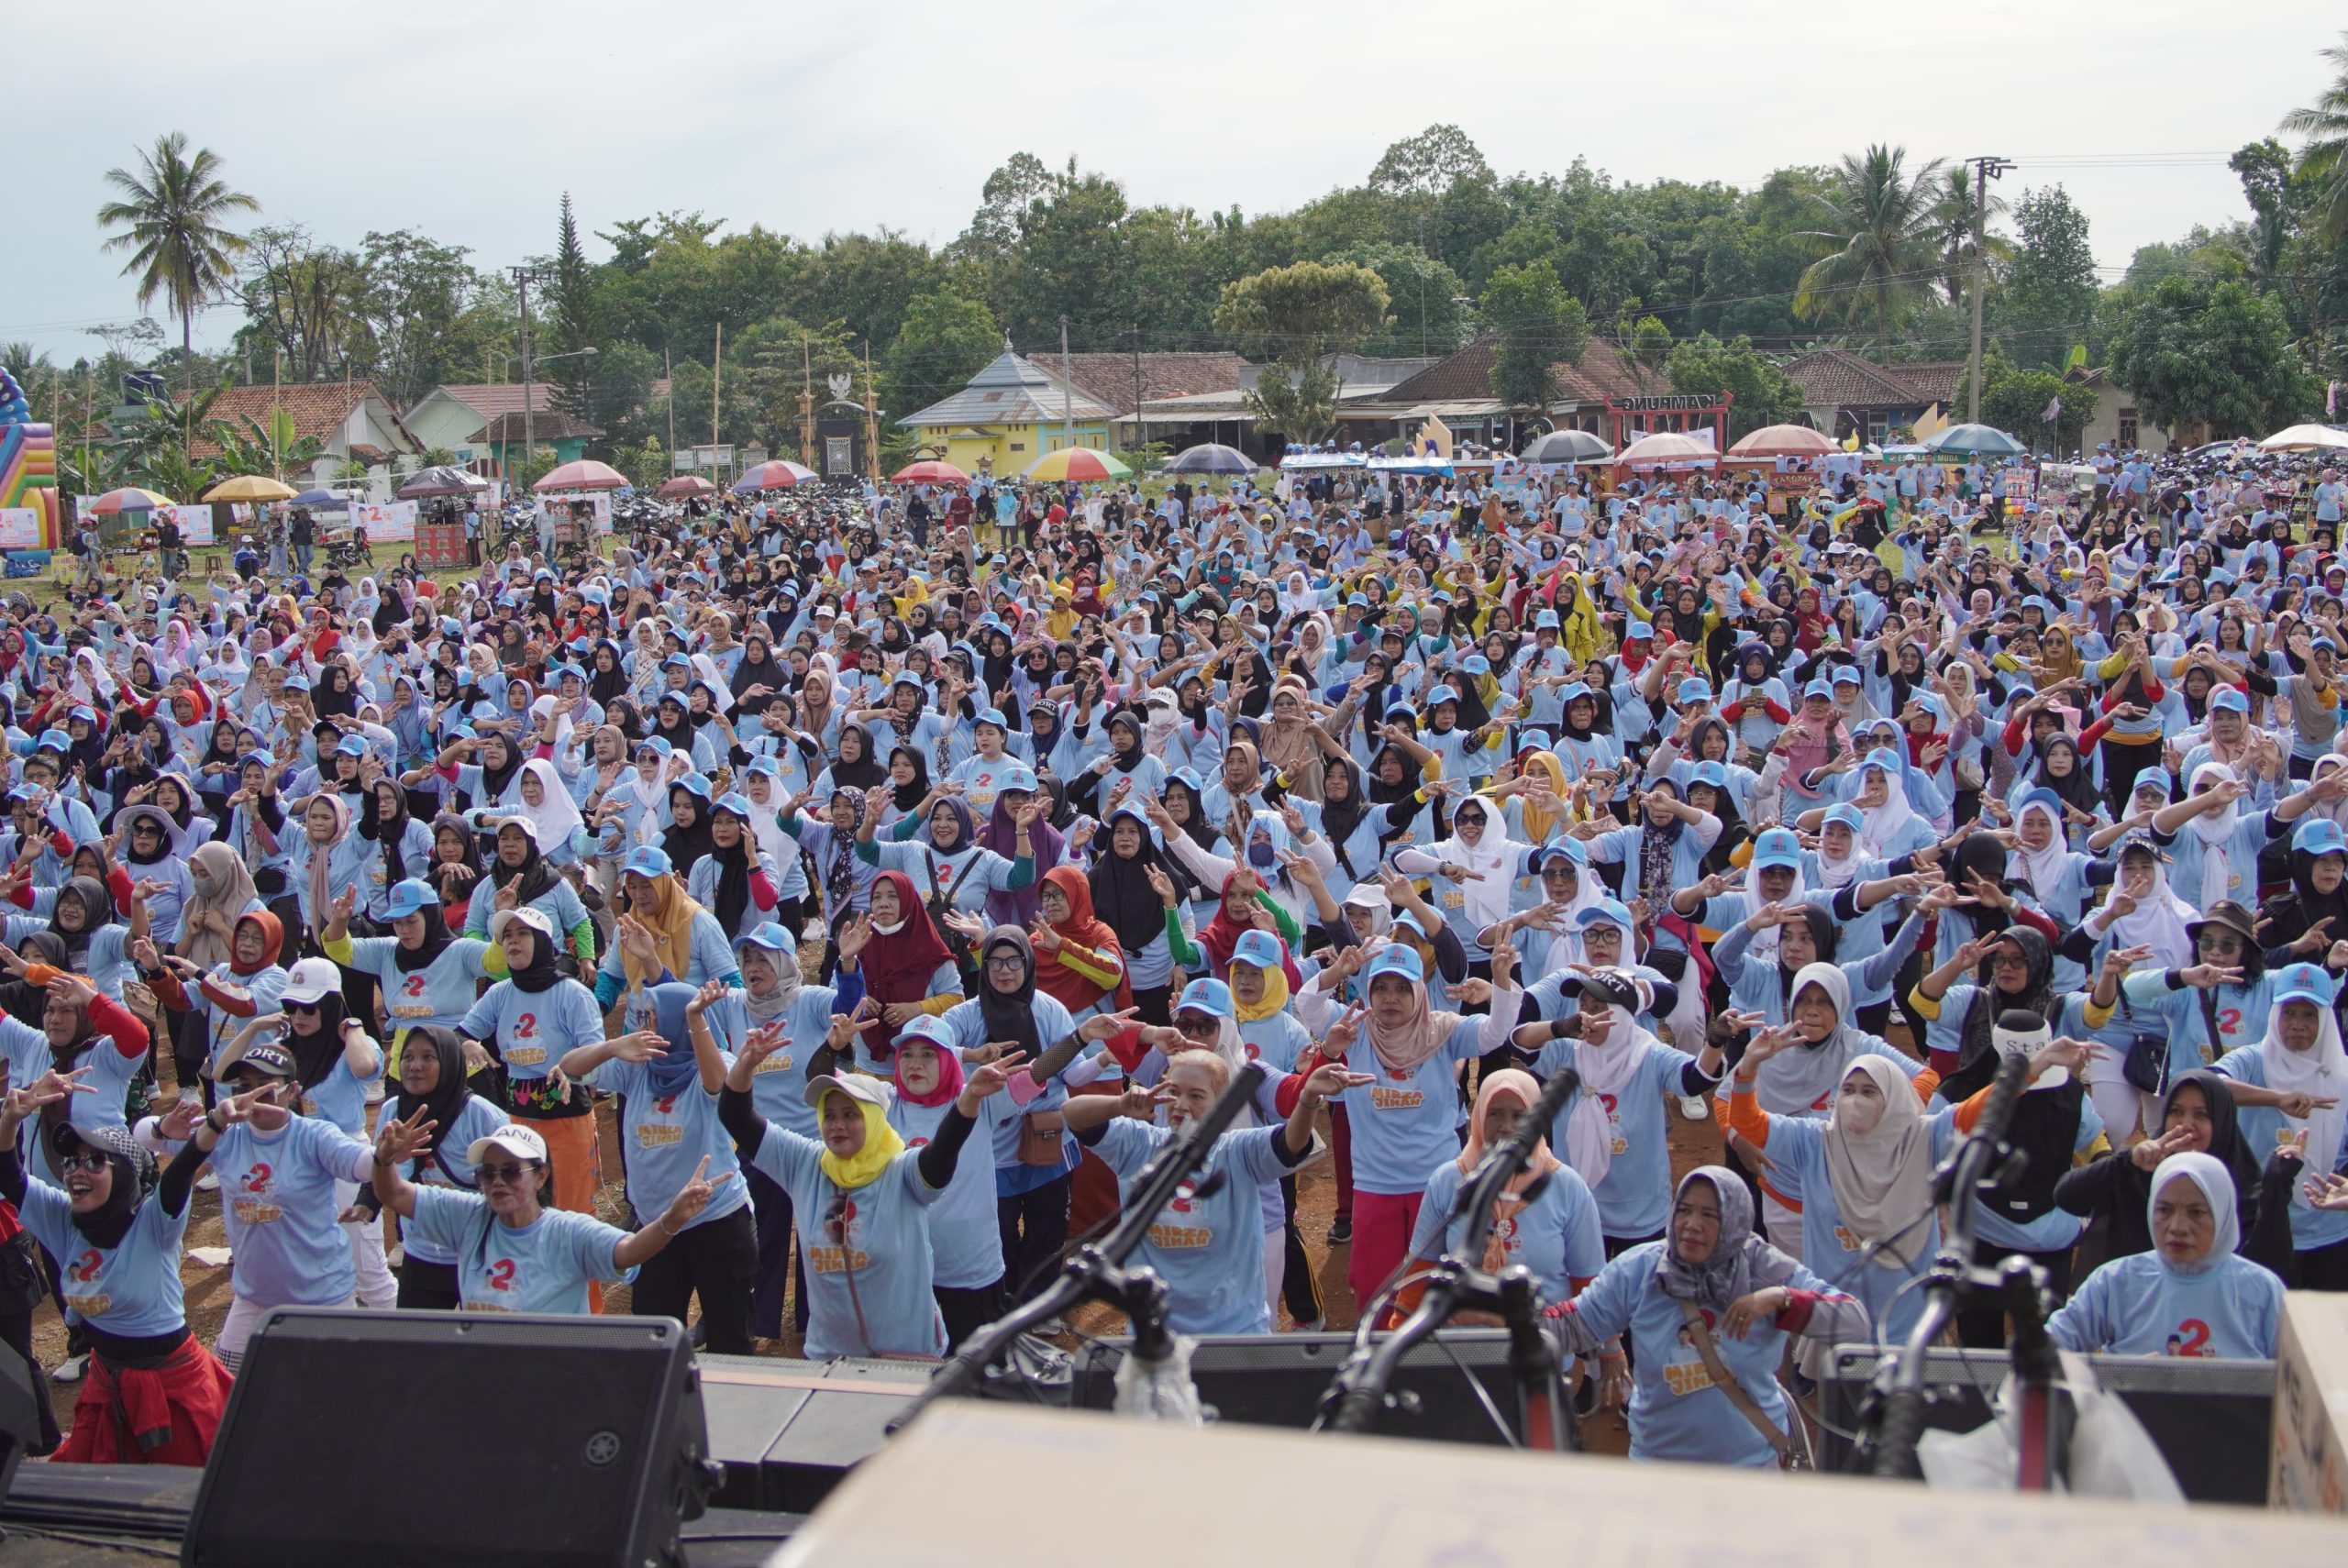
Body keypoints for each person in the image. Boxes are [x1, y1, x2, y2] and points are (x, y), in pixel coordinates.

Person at [711, 1029, 1024, 1359]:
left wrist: (968, 1101)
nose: (837, 1125)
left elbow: (942, 1154)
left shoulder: (902, 1173)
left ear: (875, 1120)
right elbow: (737, 1117)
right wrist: (745, 1066)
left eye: (850, 1114)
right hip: (829, 1355)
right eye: (828, 1115)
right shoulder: (804, 1163)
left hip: (907, 1355)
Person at [1545, 1167, 1867, 1467]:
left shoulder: (1765, 1270)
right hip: (1658, 1469)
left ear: (1735, 1222)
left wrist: (1779, 1300)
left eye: (1710, 1215)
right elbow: (1571, 1325)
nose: (1691, 1225)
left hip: (1750, 1468)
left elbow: (1854, 1320)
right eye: (1684, 1210)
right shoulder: (1640, 1270)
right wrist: (1511, 1315)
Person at [0, 1068, 231, 1466]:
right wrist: (9, 1120)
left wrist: (212, 1124)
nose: (77, 1170)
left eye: (95, 1162)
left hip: (173, 1383)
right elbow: (10, 1176)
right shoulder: (63, 1219)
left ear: (123, 1174)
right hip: (107, 1381)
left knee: (182, 1495)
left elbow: (176, 1178)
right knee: (88, 1493)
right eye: (71, 1161)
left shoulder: (153, 1223)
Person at [1059, 1050, 1361, 1333]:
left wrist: (1308, 1097)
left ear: (1220, 1103)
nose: (1181, 1104)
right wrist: (1118, 1105)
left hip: (1233, 1334)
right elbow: (1072, 1114)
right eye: (1174, 1091)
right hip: (1156, 1337)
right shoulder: (1138, 1145)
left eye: (1197, 1096)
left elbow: (1291, 1143)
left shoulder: (1237, 1151)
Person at [369, 1116, 722, 1314]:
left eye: (510, 1171)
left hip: (554, 1379)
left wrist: (671, 1220)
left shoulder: (567, 1233)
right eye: (487, 1173)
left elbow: (628, 1251)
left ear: (540, 1176)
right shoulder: (469, 1216)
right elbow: (394, 1193)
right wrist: (383, 1159)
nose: (497, 1182)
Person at [2050, 1153, 2286, 1358]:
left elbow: (2299, 1379)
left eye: (2196, 1212)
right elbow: (2047, 1351)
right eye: (2164, 1210)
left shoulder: (2263, 1291)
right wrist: (2118, 1380)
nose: (2178, 1227)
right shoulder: (2115, 1282)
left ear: (2222, 1214)